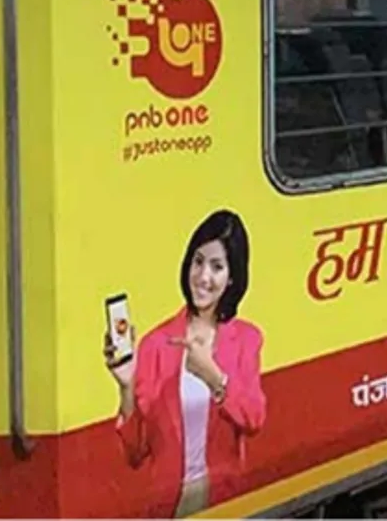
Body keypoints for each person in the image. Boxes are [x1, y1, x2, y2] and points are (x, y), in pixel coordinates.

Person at [104, 209, 267, 518]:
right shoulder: (156, 344)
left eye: (217, 266)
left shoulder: (247, 339)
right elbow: (136, 453)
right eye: (198, 261)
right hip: (169, 506)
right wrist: (126, 386)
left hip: (225, 499)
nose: (204, 276)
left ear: (232, 277)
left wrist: (214, 378)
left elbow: (254, 418)